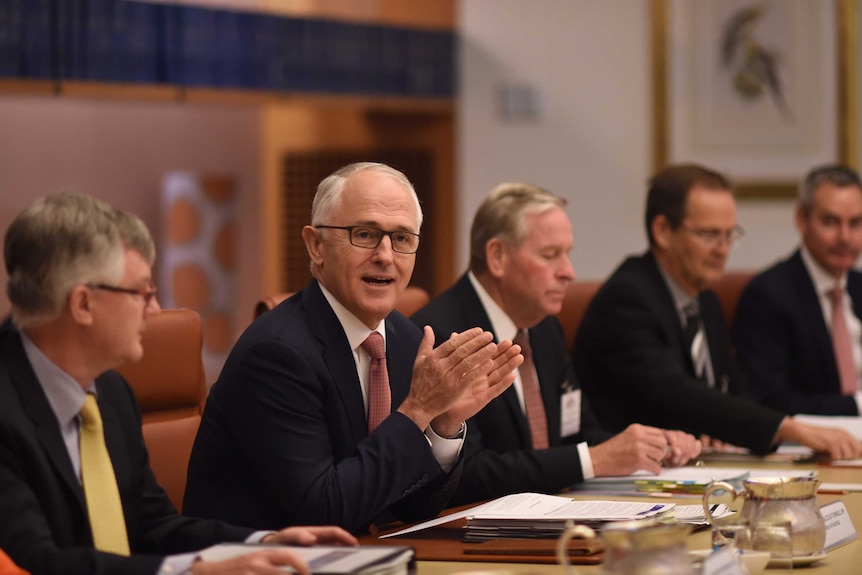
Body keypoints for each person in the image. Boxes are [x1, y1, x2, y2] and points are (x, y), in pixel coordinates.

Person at [0, 192, 358, 575]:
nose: (154, 310)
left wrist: (264, 541)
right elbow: (35, 563)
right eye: (141, 292)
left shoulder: (111, 393)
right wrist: (191, 573)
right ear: (83, 305)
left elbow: (153, 526)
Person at [183, 162, 522, 533]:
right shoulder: (276, 354)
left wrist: (442, 424)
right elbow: (325, 512)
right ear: (316, 245)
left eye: (403, 239)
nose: (385, 255)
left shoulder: (406, 340)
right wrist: (418, 410)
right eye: (364, 234)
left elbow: (412, 507)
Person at [411, 183, 702, 505]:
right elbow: (468, 471)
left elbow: (578, 433)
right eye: (550, 255)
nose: (568, 272)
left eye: (567, 254)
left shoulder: (544, 326)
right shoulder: (446, 335)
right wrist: (597, 459)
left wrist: (649, 446)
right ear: (497, 257)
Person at [572, 164, 862, 459]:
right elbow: (677, 393)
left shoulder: (704, 297)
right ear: (662, 231)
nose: (723, 249)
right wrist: (790, 428)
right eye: (709, 234)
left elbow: (734, 389)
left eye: (729, 235)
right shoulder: (628, 298)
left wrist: (738, 428)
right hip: (626, 479)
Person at [734, 165, 862, 416]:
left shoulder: (859, 286)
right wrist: (857, 405)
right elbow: (770, 400)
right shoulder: (767, 295)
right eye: (830, 222)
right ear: (802, 220)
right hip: (810, 443)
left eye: (856, 223)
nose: (845, 237)